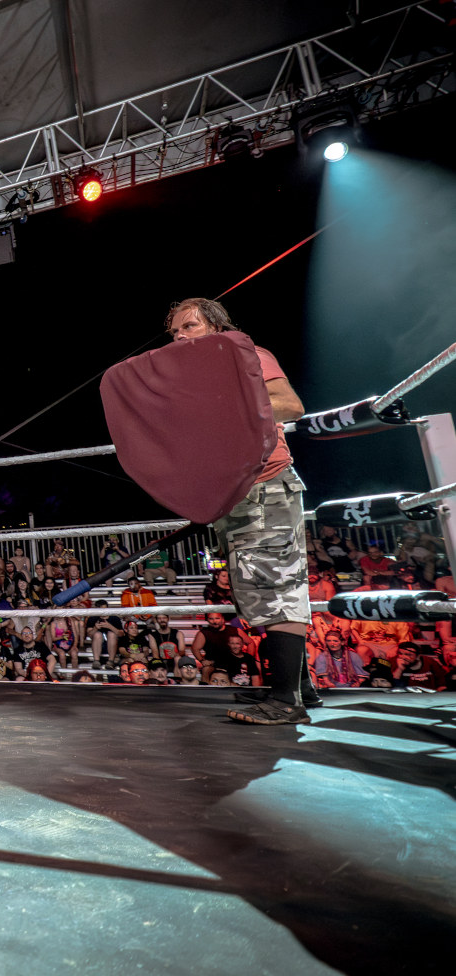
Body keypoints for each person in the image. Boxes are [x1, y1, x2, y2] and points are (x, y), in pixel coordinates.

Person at [163, 299, 319, 725]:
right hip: (235, 495)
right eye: (175, 331)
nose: (180, 336)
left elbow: (289, 405)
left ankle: (286, 702)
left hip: (265, 485)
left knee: (276, 586)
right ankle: (299, 689)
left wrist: (224, 403)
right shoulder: (193, 380)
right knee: (258, 589)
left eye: (190, 326)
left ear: (216, 327)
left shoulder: (246, 354)